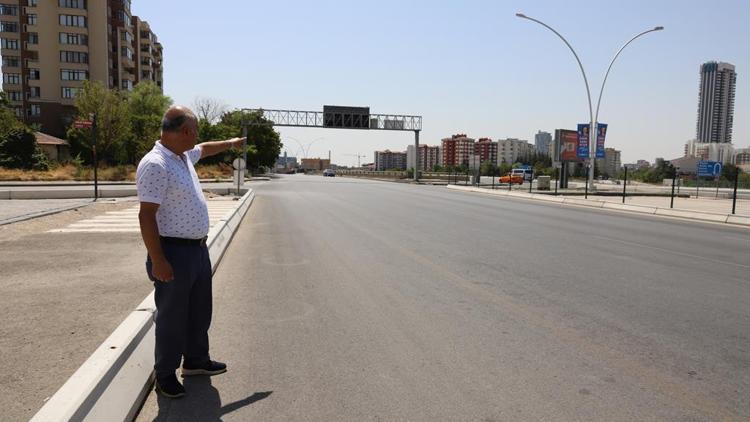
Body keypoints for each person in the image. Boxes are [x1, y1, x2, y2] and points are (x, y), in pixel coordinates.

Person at [136, 106, 245, 398]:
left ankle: (195, 361)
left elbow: (205, 149)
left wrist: (231, 144)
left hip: (196, 249)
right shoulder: (156, 164)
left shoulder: (183, 156)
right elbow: (146, 216)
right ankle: (165, 374)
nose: (197, 137)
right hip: (172, 252)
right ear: (184, 131)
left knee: (199, 310)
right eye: (194, 131)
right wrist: (158, 260)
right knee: (172, 317)